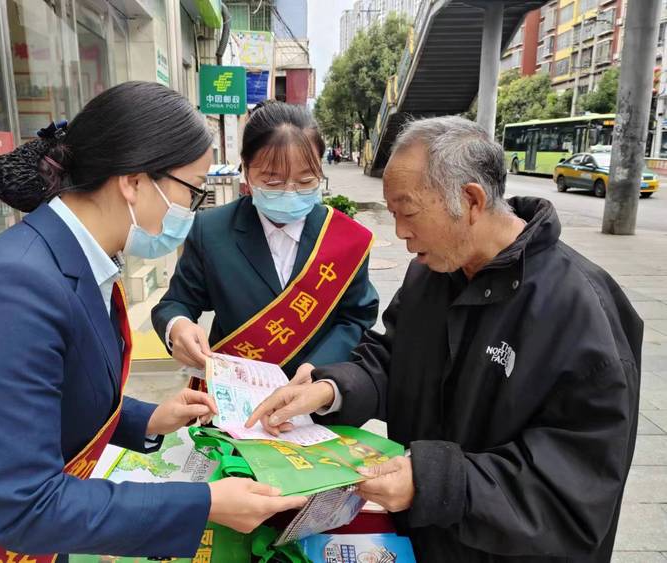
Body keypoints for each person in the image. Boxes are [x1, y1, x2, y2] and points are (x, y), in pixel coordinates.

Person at [0, 82, 305, 562]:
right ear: (134, 181)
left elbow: (46, 398)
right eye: (191, 191)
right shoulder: (9, 290)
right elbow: (27, 509)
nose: (192, 211)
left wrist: (148, 419)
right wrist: (203, 505)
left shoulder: (75, 263)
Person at [247, 116, 643, 562]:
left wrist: (433, 481)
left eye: (408, 212)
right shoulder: (431, 275)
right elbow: (393, 360)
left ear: (470, 200)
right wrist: (331, 389)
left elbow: (574, 491)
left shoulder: (581, 312)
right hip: (426, 539)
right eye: (392, 214)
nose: (399, 232)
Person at [152, 101, 378, 381]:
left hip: (318, 398)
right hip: (238, 396)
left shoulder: (344, 238)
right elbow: (175, 303)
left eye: (306, 180)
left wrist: (318, 368)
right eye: (273, 182)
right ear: (247, 171)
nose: (290, 192)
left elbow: (356, 317)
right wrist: (178, 326)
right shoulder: (210, 231)